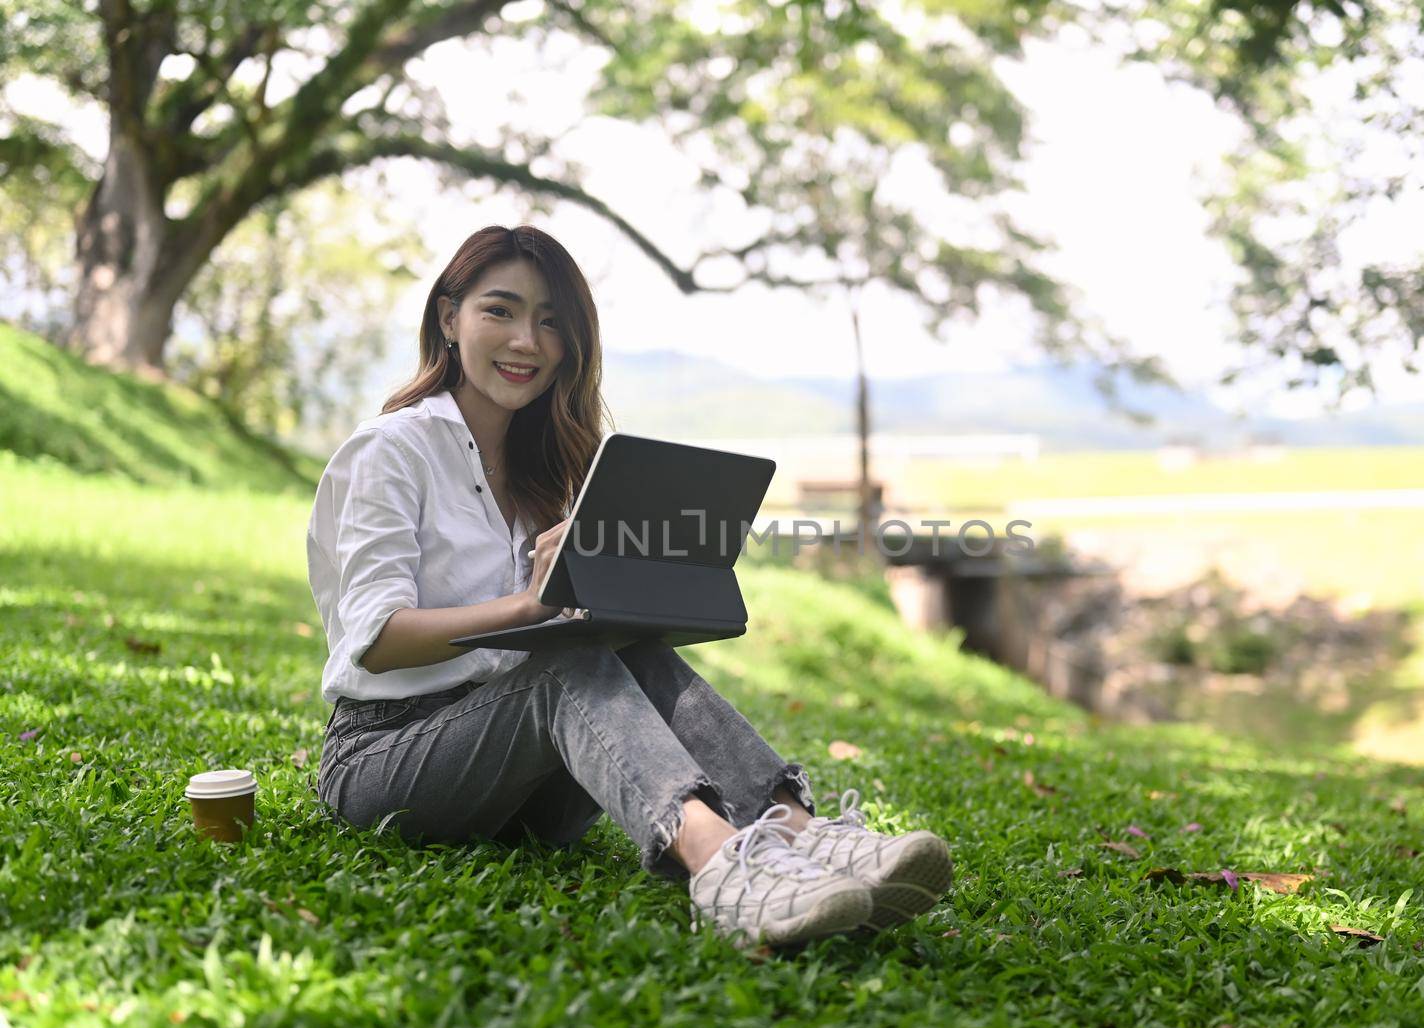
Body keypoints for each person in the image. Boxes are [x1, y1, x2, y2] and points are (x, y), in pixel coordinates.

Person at [306, 224, 952, 948]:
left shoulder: (547, 473)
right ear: (449, 318)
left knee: (629, 651)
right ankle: (724, 867)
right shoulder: (392, 450)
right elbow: (378, 640)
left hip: (527, 788)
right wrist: (530, 606)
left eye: (551, 321)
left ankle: (802, 832)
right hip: (387, 763)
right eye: (501, 310)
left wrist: (618, 596)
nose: (527, 339)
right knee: (566, 664)